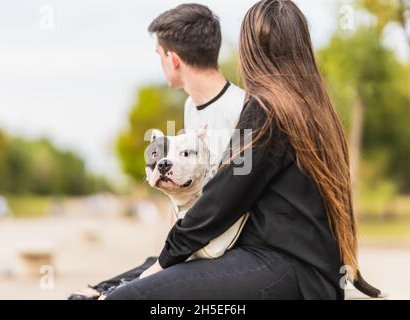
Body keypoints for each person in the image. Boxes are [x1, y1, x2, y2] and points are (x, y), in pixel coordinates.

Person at [103, 0, 359, 300]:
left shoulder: (266, 109)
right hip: (308, 272)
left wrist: (162, 262)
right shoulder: (315, 108)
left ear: (251, 48)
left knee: (127, 298)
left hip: (285, 269)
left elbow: (223, 199)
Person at [68, 3, 245, 300]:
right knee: (91, 292)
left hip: (227, 252)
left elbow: (237, 194)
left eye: (158, 55)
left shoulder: (241, 108)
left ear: (173, 59)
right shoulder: (191, 108)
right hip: (197, 244)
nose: (159, 63)